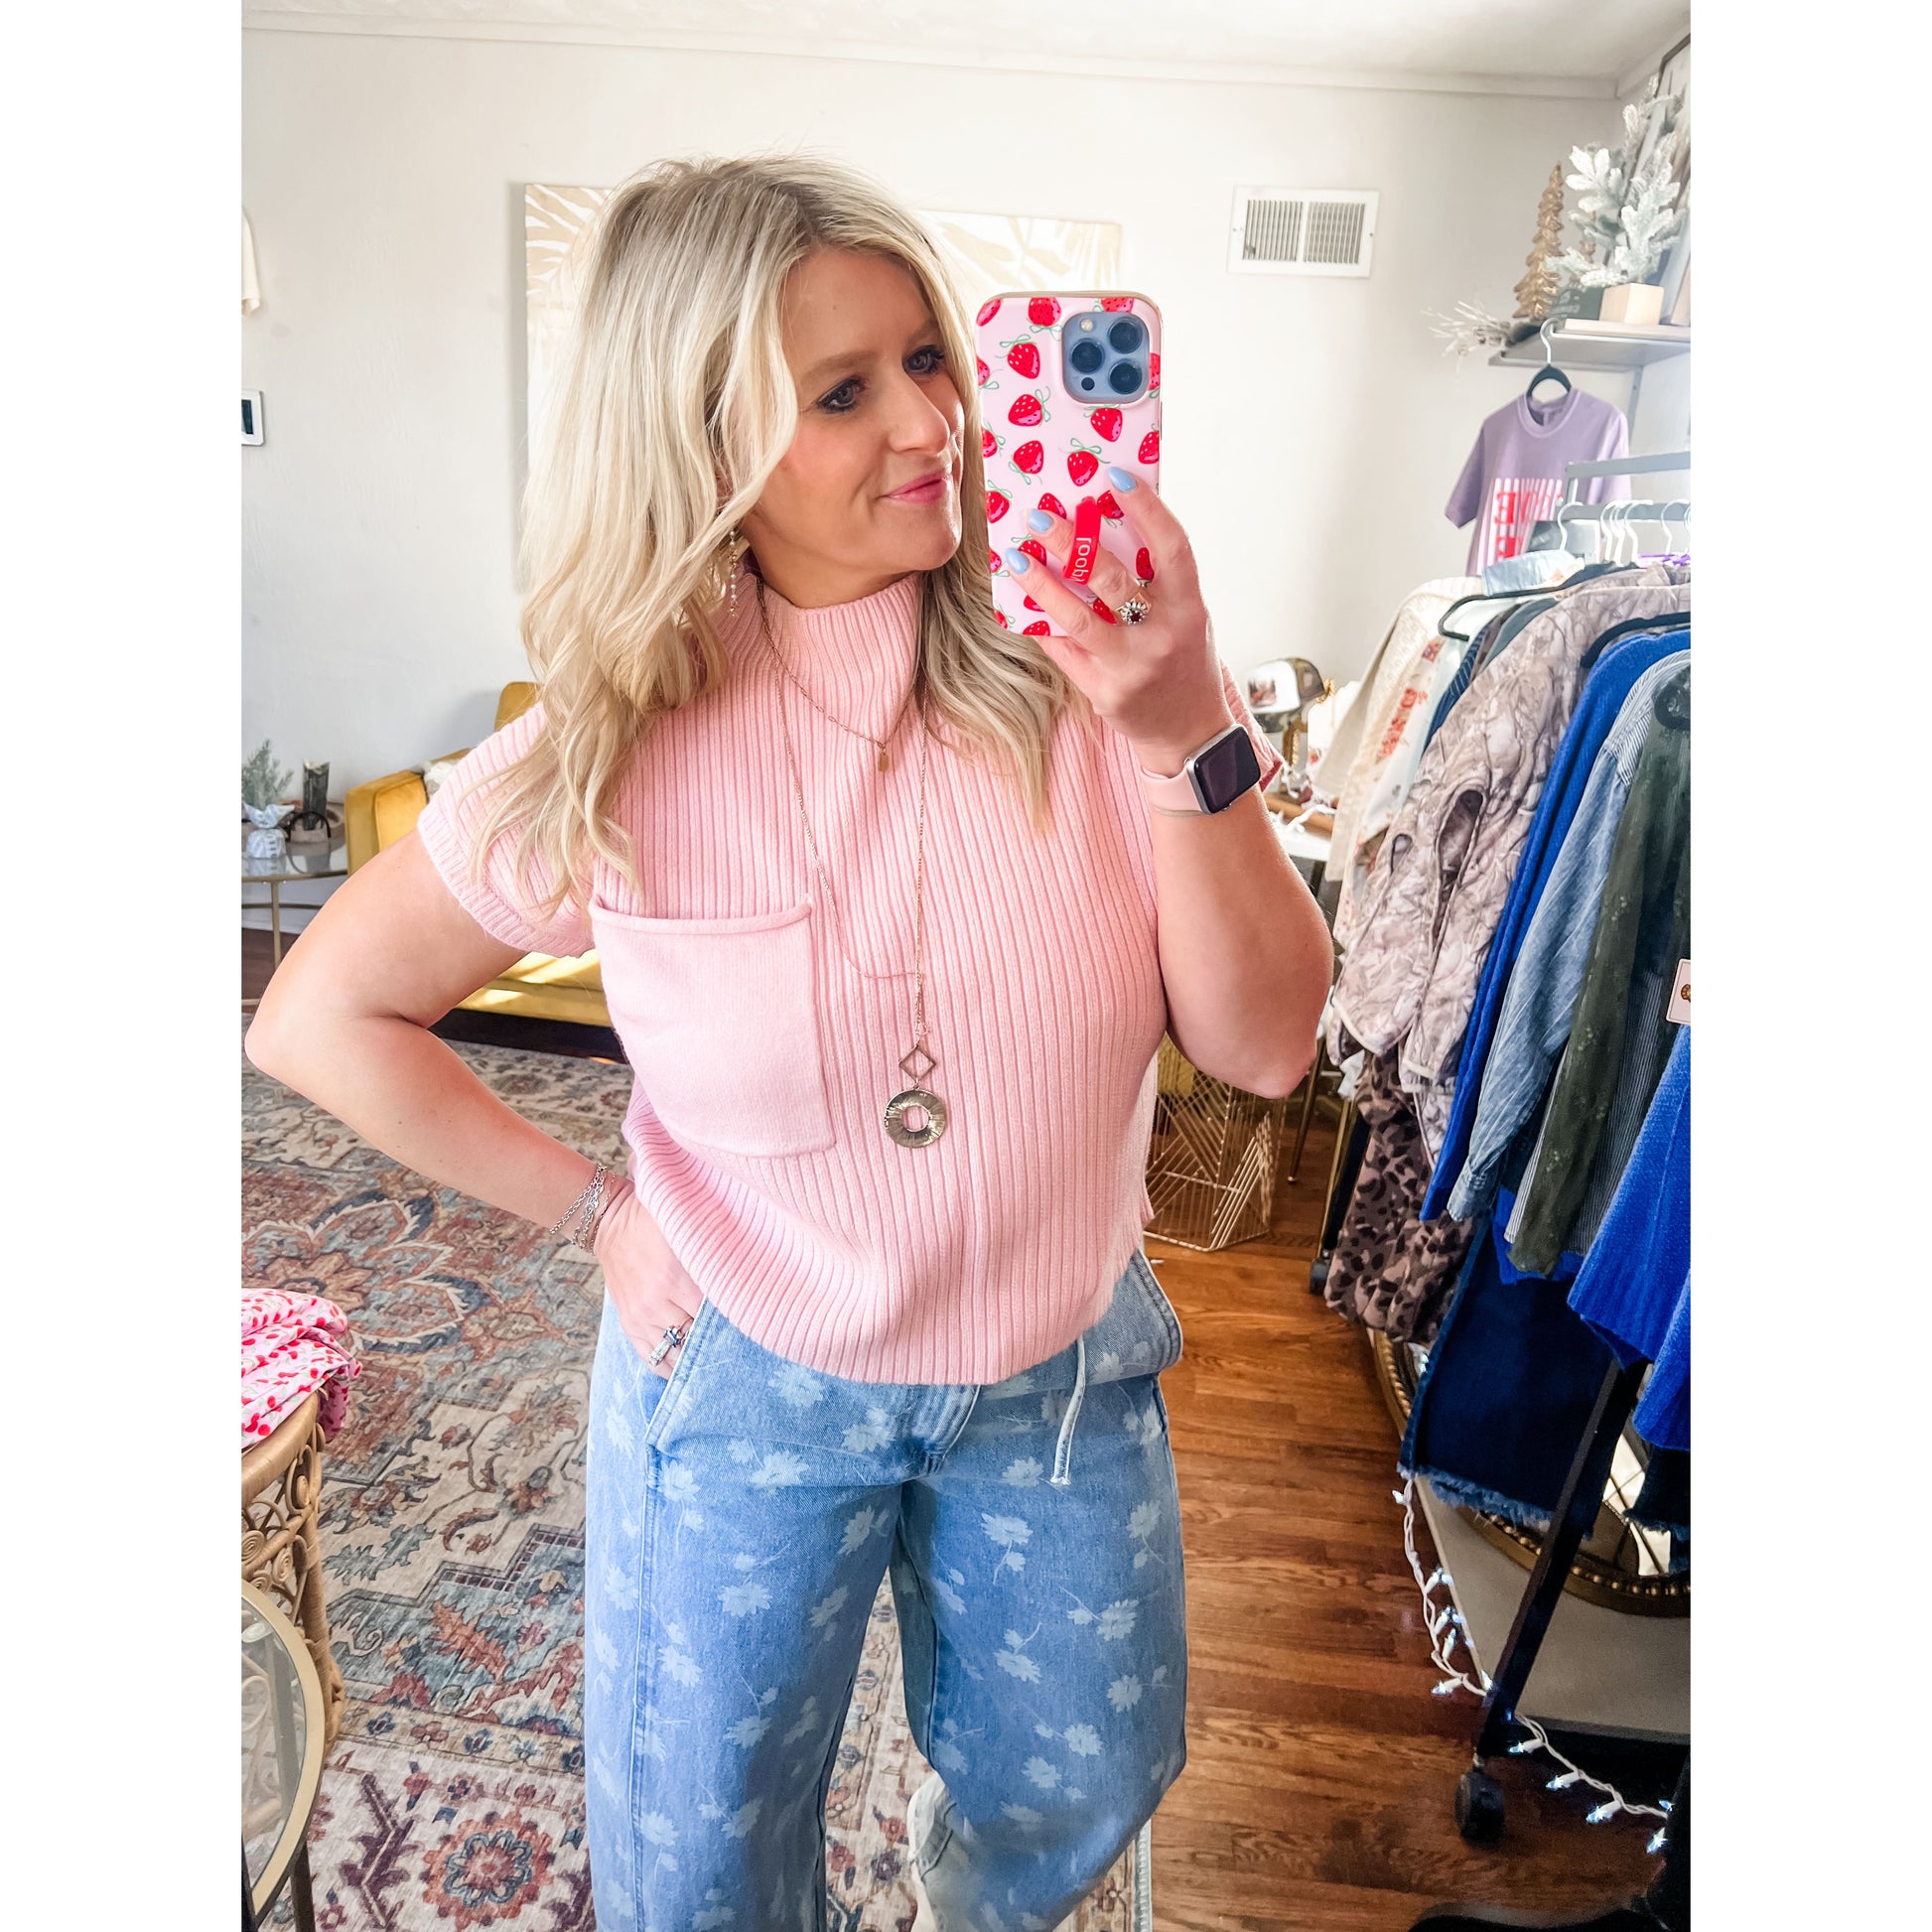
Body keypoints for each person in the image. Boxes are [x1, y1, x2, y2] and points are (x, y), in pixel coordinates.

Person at [246, 153, 1333, 1930]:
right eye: (841, 391)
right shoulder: (613, 741)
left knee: (1085, 1779)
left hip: (1051, 1371)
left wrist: (1176, 728)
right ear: (704, 448)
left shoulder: (1098, 673)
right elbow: (319, 1015)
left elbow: (1271, 1045)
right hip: (748, 1378)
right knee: (701, 1866)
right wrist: (597, 1209)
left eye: (928, 357)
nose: (929, 421)